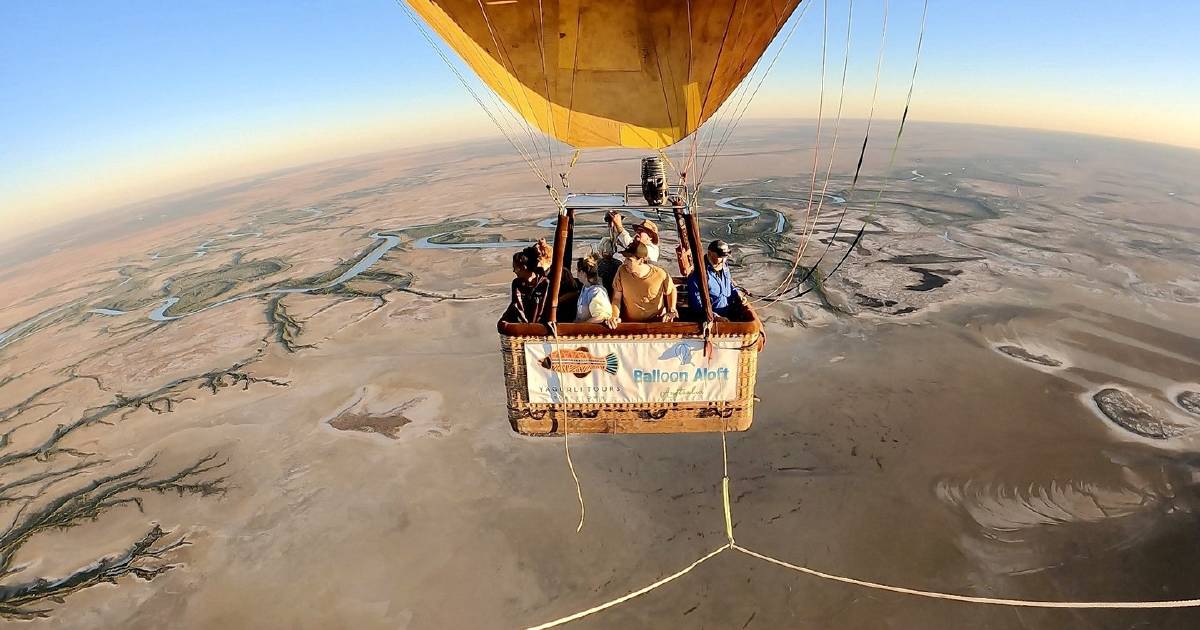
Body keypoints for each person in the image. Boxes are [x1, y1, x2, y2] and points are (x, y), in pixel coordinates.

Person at [607, 242, 678, 327]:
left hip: (656, 323)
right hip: (631, 324)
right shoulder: (622, 271)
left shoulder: (660, 274)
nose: (625, 262)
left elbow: (671, 290)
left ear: (641, 260)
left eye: (629, 260)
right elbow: (616, 298)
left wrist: (671, 309)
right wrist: (614, 316)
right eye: (625, 258)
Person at [686, 240, 742, 320]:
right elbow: (696, 306)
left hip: (728, 313)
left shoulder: (725, 267)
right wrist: (714, 317)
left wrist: (737, 294)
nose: (723, 260)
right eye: (720, 256)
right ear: (710, 253)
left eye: (725, 257)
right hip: (710, 321)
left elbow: (729, 284)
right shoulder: (698, 276)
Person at [503, 248, 549, 323]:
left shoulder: (544, 283)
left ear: (524, 268)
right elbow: (517, 305)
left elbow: (544, 306)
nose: (514, 271)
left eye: (515, 268)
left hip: (541, 322)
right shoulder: (517, 283)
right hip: (522, 322)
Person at [574, 255, 613, 323]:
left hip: (588, 332)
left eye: (577, 270)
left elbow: (600, 317)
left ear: (583, 273)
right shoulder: (585, 287)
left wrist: (581, 327)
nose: (577, 273)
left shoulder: (597, 292)